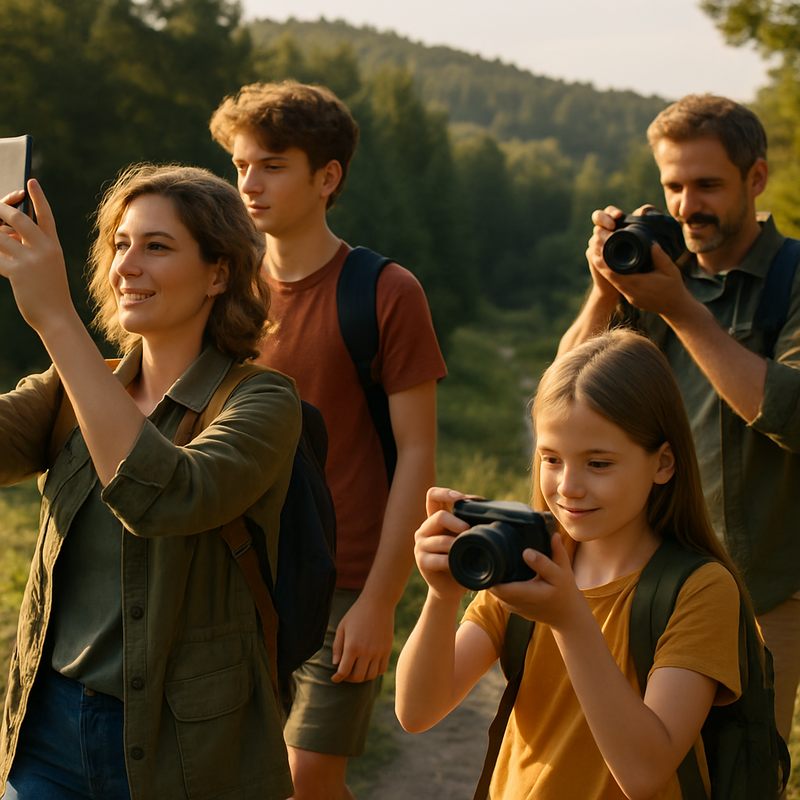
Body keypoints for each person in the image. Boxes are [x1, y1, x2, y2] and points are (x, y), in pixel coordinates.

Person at [0, 164, 302, 800]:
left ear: (219, 273)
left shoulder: (263, 402)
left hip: (189, 752)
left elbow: (165, 495)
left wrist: (57, 319)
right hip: (48, 729)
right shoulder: (76, 387)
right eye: (120, 245)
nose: (126, 266)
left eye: (156, 246)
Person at [209, 81, 447, 800]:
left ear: (327, 177)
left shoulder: (384, 291)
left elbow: (417, 455)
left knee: (309, 778)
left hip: (344, 581)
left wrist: (380, 599)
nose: (248, 183)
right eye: (240, 164)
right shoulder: (222, 286)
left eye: (272, 165)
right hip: (234, 571)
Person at [395, 329, 745, 799]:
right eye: (552, 459)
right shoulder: (525, 562)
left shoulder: (699, 589)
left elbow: (644, 772)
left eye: (598, 463)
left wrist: (568, 618)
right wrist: (442, 596)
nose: (568, 487)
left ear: (663, 463)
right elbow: (418, 710)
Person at [559, 93, 800, 745]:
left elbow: (790, 412)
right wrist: (606, 290)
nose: (687, 206)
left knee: (740, 775)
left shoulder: (793, 277)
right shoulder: (656, 275)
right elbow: (568, 399)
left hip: (759, 594)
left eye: (707, 185)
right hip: (640, 580)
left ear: (756, 178)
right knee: (625, 767)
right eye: (673, 186)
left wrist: (682, 311)